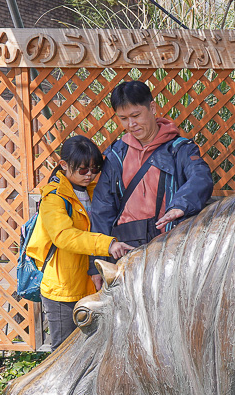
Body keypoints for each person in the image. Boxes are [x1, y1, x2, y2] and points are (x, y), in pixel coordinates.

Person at [89, 80, 214, 289]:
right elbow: (102, 209)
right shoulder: (115, 156)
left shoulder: (180, 150)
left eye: (136, 115)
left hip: (170, 251)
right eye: (123, 118)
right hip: (125, 254)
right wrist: (98, 264)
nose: (131, 124)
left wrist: (180, 205)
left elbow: (200, 177)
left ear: (153, 108)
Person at [26, 136, 134, 350]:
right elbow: (64, 236)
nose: (90, 175)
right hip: (63, 290)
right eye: (83, 170)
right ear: (64, 165)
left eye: (94, 169)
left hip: (91, 286)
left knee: (90, 351)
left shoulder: (95, 192)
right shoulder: (54, 198)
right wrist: (107, 244)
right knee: (63, 352)